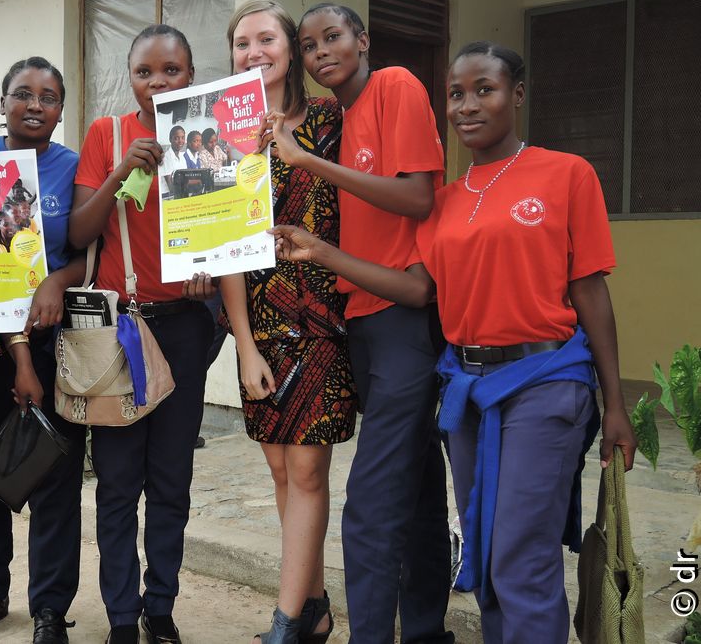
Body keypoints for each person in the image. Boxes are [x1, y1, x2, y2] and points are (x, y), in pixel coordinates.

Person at [271, 41, 639, 644]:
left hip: (545, 384)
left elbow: (591, 293)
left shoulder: (566, 174)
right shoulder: (442, 205)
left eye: (484, 90)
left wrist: (615, 403)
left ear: (516, 95)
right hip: (468, 396)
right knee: (491, 557)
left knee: (522, 558)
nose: (467, 105)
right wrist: (326, 253)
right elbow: (416, 290)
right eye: (456, 94)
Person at [268, 3, 452, 644]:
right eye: (309, 44)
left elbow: (417, 196)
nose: (321, 52)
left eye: (334, 37)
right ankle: (427, 629)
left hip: (404, 321)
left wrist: (306, 162)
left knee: (369, 507)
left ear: (363, 39)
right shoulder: (335, 119)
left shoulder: (394, 85)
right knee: (421, 492)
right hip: (363, 323)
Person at [68, 24, 215, 644]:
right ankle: (123, 619)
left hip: (183, 329)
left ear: (191, 75)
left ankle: (162, 608)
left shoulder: (211, 136)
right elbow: (79, 233)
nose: (158, 82)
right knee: (119, 483)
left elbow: (224, 229)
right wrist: (120, 169)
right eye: (145, 73)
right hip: (118, 333)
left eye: (172, 71)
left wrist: (214, 281)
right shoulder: (108, 134)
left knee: (171, 479)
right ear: (129, 79)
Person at [221, 0, 358, 644]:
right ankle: (314, 608)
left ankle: (285, 624)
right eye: (242, 42)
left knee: (306, 471)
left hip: (323, 320)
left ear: (291, 50)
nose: (254, 52)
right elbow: (223, 248)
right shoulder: (221, 135)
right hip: (261, 325)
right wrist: (244, 346)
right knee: (281, 471)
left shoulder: (331, 122)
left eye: (267, 39)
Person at [0, 57, 88, 644]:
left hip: (56, 337)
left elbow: (93, 247)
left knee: (54, 469)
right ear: (2, 101)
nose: (36, 105)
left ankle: (50, 610)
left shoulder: (73, 167)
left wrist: (57, 282)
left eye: (50, 96)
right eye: (23, 94)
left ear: (61, 109)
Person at [161, 125, 188, 198]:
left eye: (183, 138)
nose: (180, 141)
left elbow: (185, 179)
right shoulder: (166, 158)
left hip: (179, 192)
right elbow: (171, 187)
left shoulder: (182, 157)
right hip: (167, 195)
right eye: (176, 138)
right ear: (170, 139)